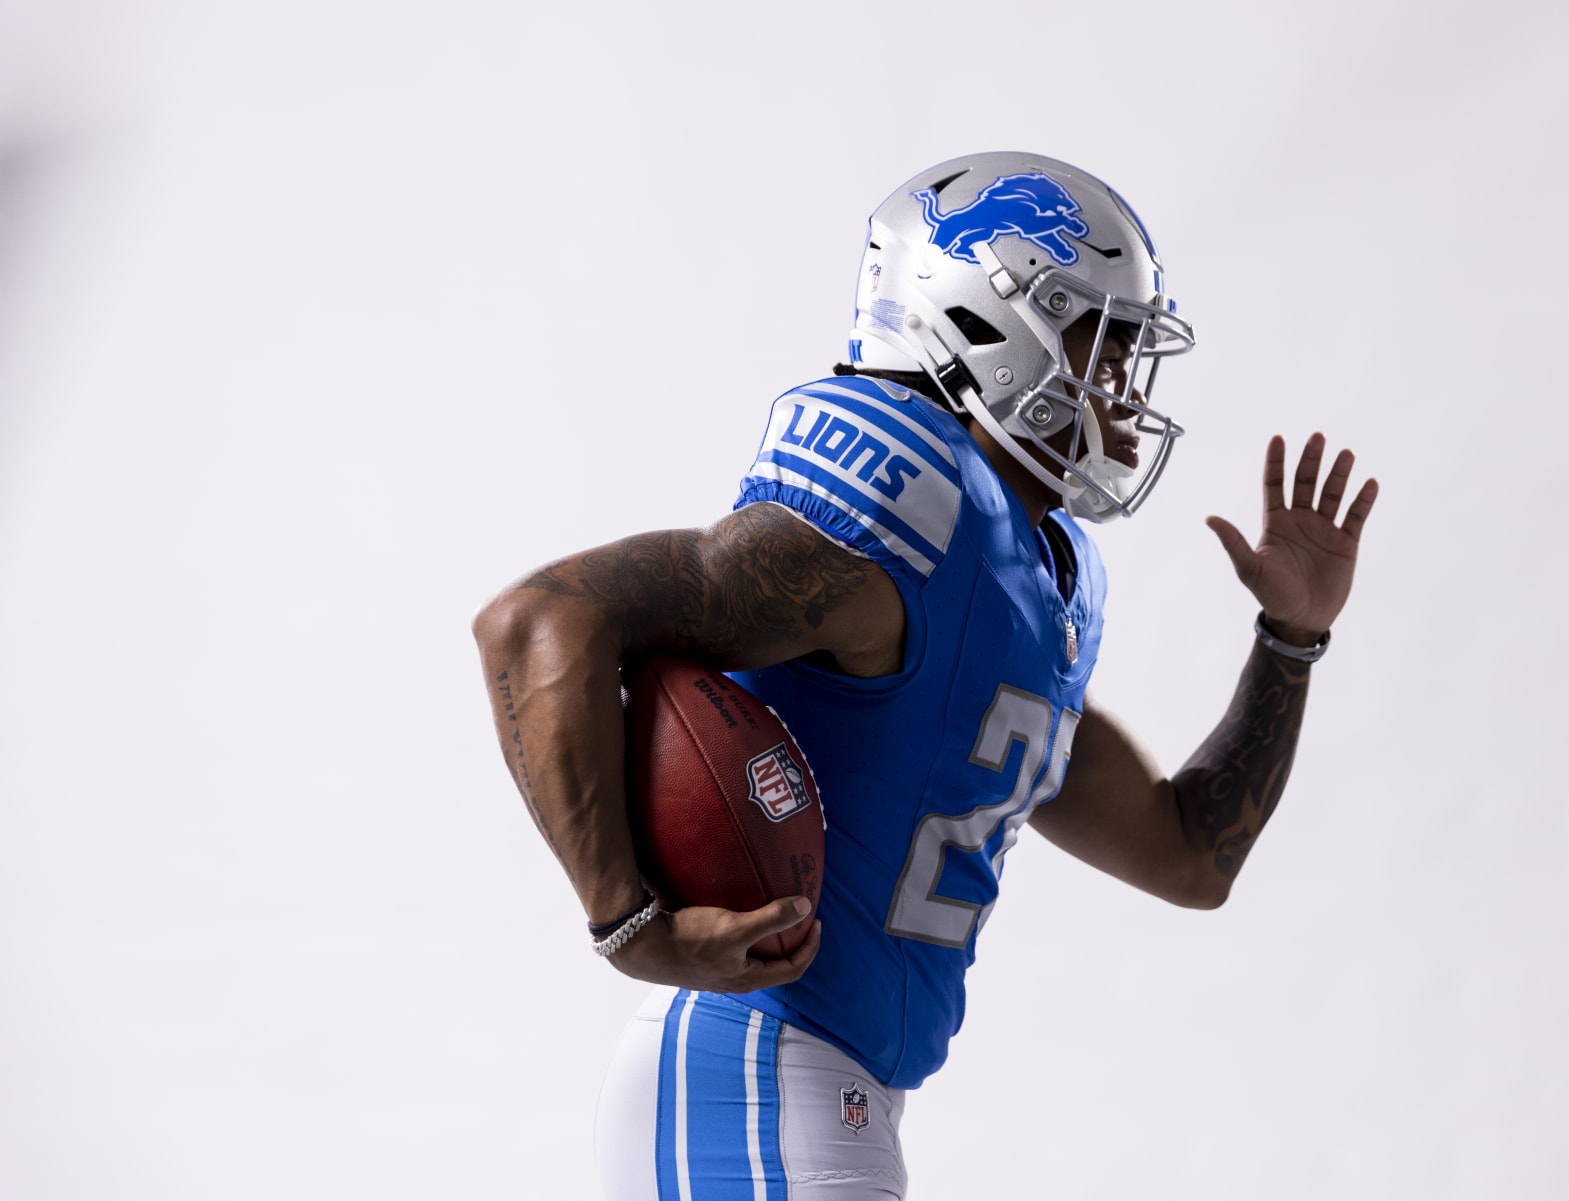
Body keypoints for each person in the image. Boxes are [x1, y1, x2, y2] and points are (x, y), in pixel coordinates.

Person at [473, 151, 1378, 1199]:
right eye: (1103, 342)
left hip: (825, 1092)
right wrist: (630, 923)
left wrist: (1289, 639)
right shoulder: (905, 511)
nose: (1125, 388)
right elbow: (540, 621)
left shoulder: (1032, 577)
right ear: (983, 325)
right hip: (750, 1075)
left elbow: (1190, 855)